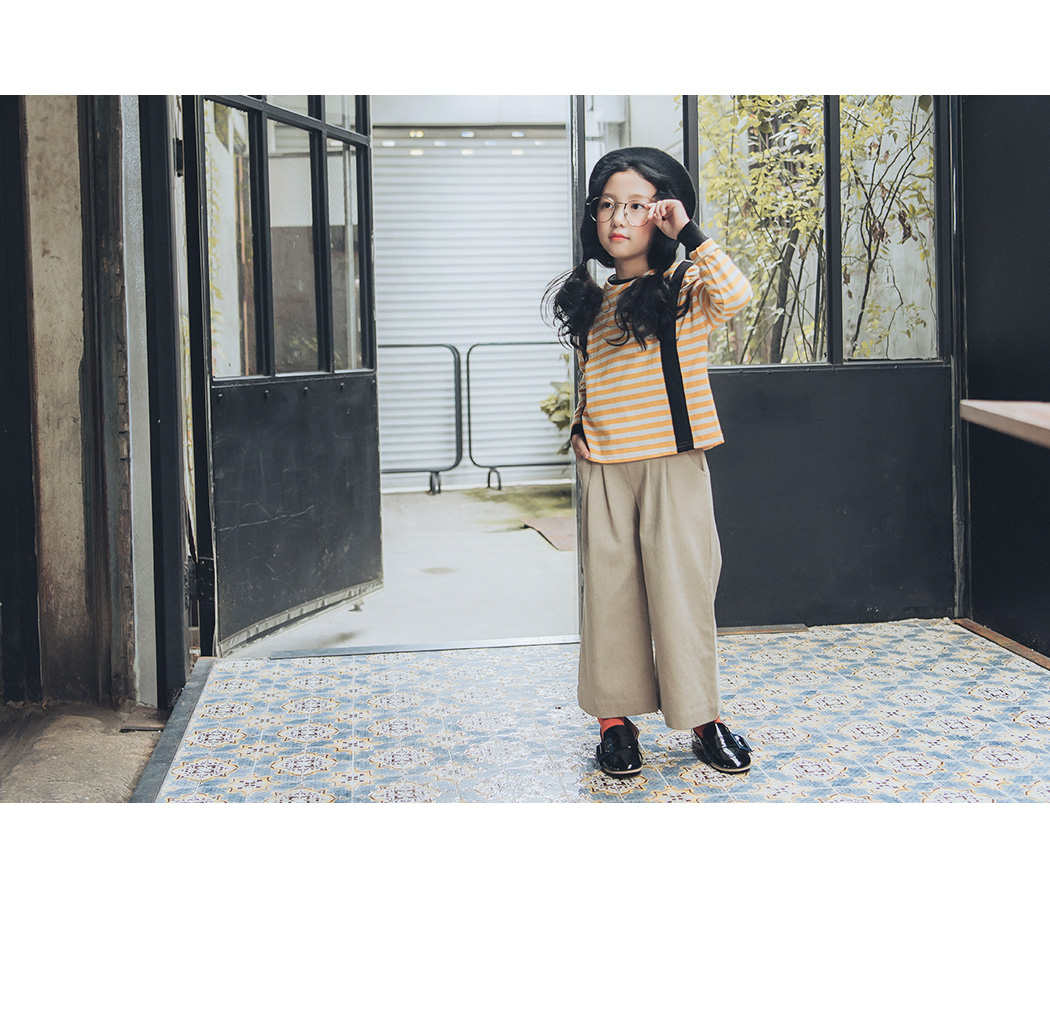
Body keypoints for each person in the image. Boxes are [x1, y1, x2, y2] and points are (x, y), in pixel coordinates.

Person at [544, 146, 754, 778]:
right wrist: (579, 427)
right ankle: (614, 723)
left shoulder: (686, 285)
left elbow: (737, 294)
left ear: (660, 213)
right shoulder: (593, 298)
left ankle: (703, 719)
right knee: (609, 600)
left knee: (683, 594)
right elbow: (594, 377)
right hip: (606, 469)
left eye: (637, 205)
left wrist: (687, 230)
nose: (619, 218)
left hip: (671, 464)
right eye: (608, 204)